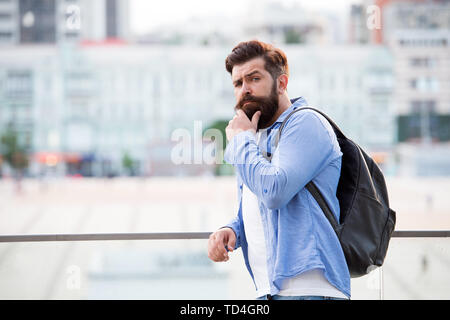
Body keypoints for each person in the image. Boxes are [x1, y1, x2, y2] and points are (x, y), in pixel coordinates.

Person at [207, 40, 350, 300]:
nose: (244, 90)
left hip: (310, 291)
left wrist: (239, 141)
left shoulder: (306, 122)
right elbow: (260, 202)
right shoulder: (254, 137)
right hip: (270, 292)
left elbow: (274, 191)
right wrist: (233, 230)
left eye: (254, 78)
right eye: (238, 83)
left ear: (282, 83)